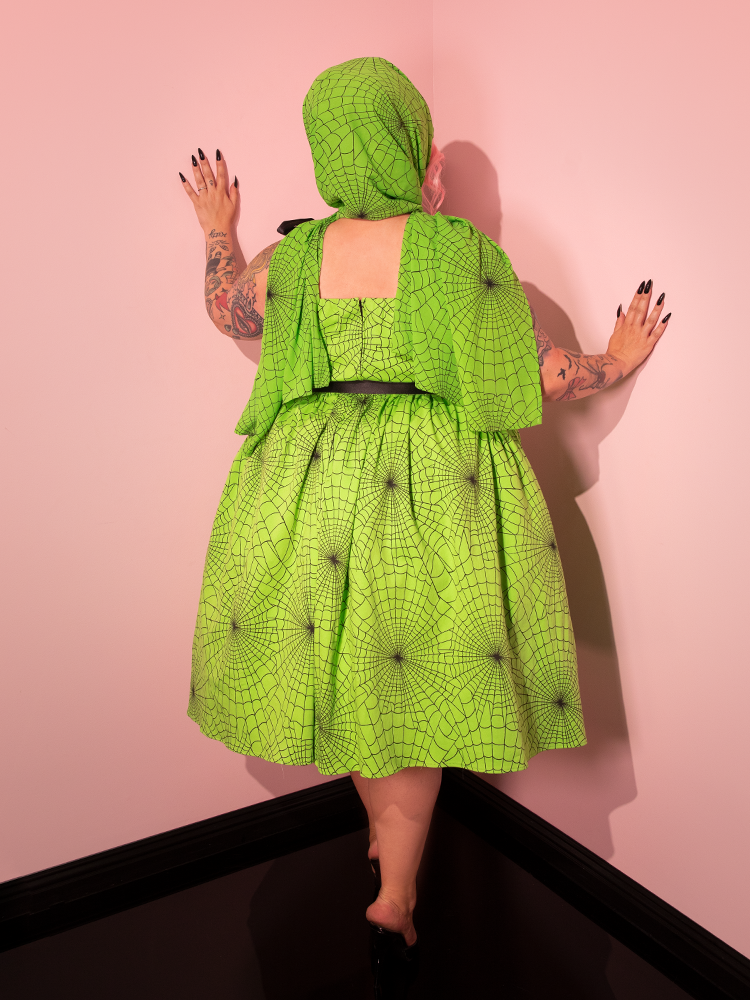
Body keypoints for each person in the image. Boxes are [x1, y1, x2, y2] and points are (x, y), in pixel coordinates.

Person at [181, 57, 670, 993]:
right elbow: (544, 376)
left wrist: (216, 229)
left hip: (311, 478)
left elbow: (224, 310)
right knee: (406, 691)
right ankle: (394, 900)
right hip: (430, 484)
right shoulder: (456, 253)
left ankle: (383, 841)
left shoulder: (293, 257)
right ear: (407, 144)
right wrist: (615, 359)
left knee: (351, 671)